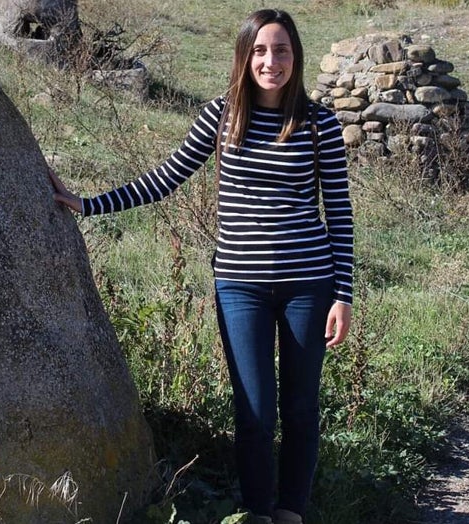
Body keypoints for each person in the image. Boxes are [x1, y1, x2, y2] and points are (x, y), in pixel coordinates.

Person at [49, 8, 353, 524]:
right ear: (244, 56)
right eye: (260, 50)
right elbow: (165, 178)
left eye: (281, 50)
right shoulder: (220, 116)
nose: (270, 61)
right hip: (239, 288)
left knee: (301, 409)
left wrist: (343, 295)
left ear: (295, 56)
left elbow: (340, 212)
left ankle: (290, 512)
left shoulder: (318, 122)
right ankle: (258, 512)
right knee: (255, 412)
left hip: (309, 285)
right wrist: (87, 203)